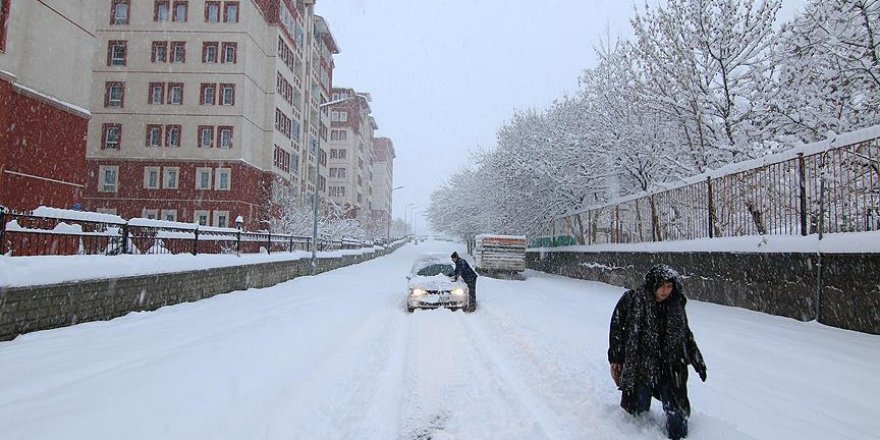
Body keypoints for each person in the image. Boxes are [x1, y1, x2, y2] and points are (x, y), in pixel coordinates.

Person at [608, 264, 707, 440]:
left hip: (670, 367)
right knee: (638, 414)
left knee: (677, 413)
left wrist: (697, 359)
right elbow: (617, 328)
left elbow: (685, 334)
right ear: (653, 285)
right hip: (642, 366)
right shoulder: (634, 300)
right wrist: (616, 356)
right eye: (661, 286)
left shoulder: (675, 305)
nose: (665, 291)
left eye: (669, 287)